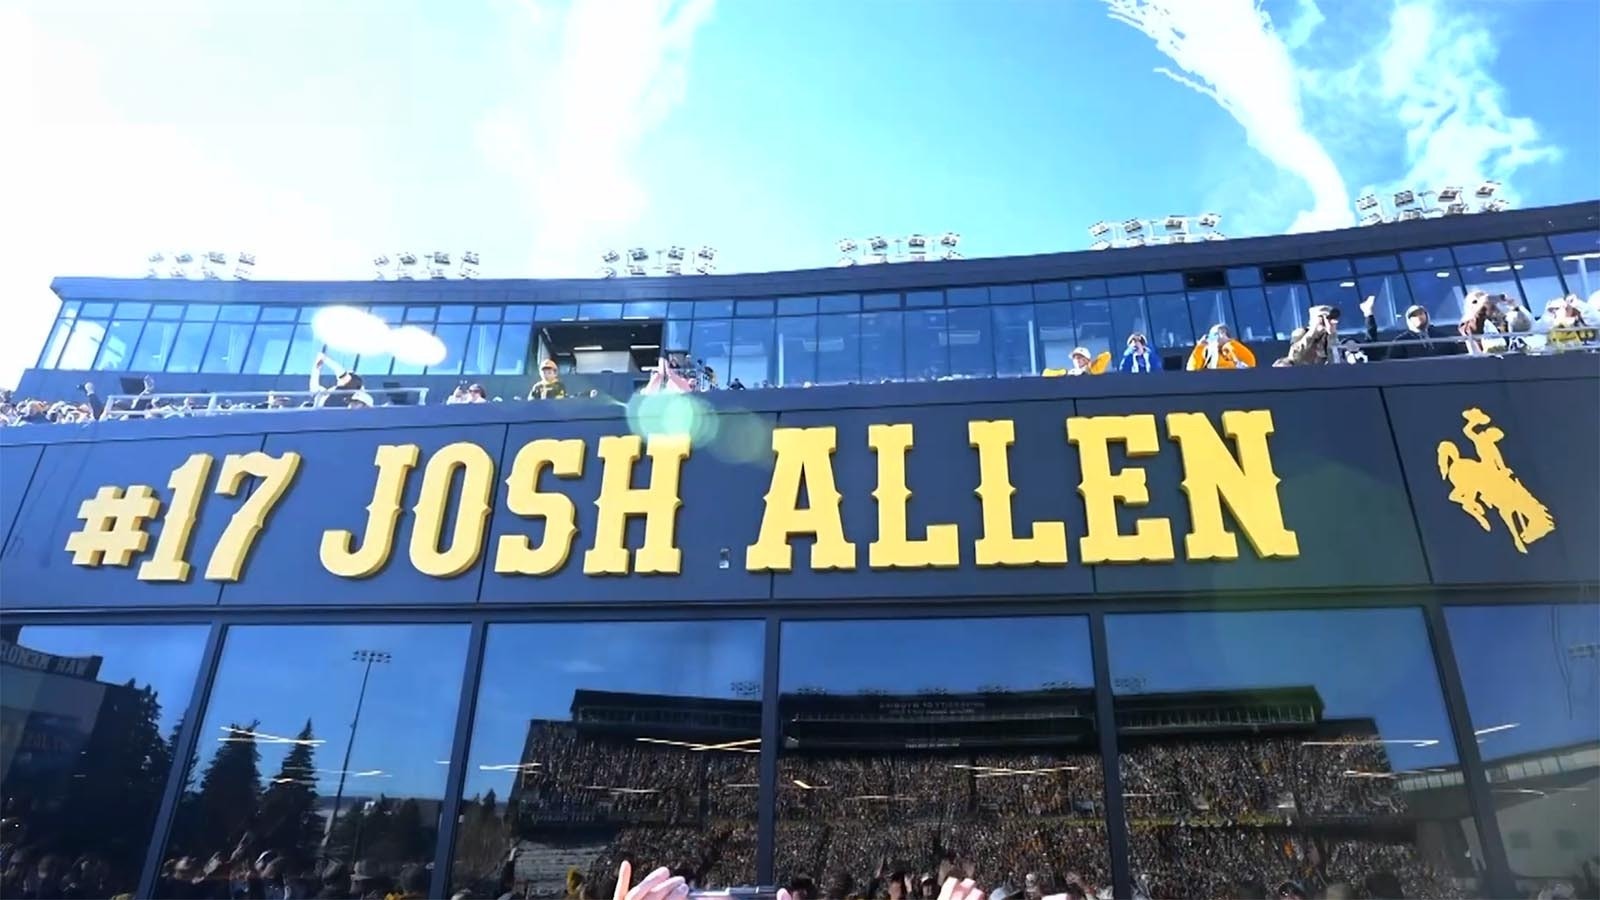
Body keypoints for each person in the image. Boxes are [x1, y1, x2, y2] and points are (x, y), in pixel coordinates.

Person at [1361, 296, 1461, 360]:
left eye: (1421, 313)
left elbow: (1458, 356)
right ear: (1409, 320)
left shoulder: (1442, 338)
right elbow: (1392, 364)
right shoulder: (1401, 342)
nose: (1419, 317)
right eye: (1414, 315)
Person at [1187, 324, 1256, 369]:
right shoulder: (1206, 353)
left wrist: (1228, 342)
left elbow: (1250, 363)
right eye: (1211, 336)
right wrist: (1200, 347)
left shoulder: (1232, 350)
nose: (1212, 338)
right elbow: (1192, 369)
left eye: (1214, 335)